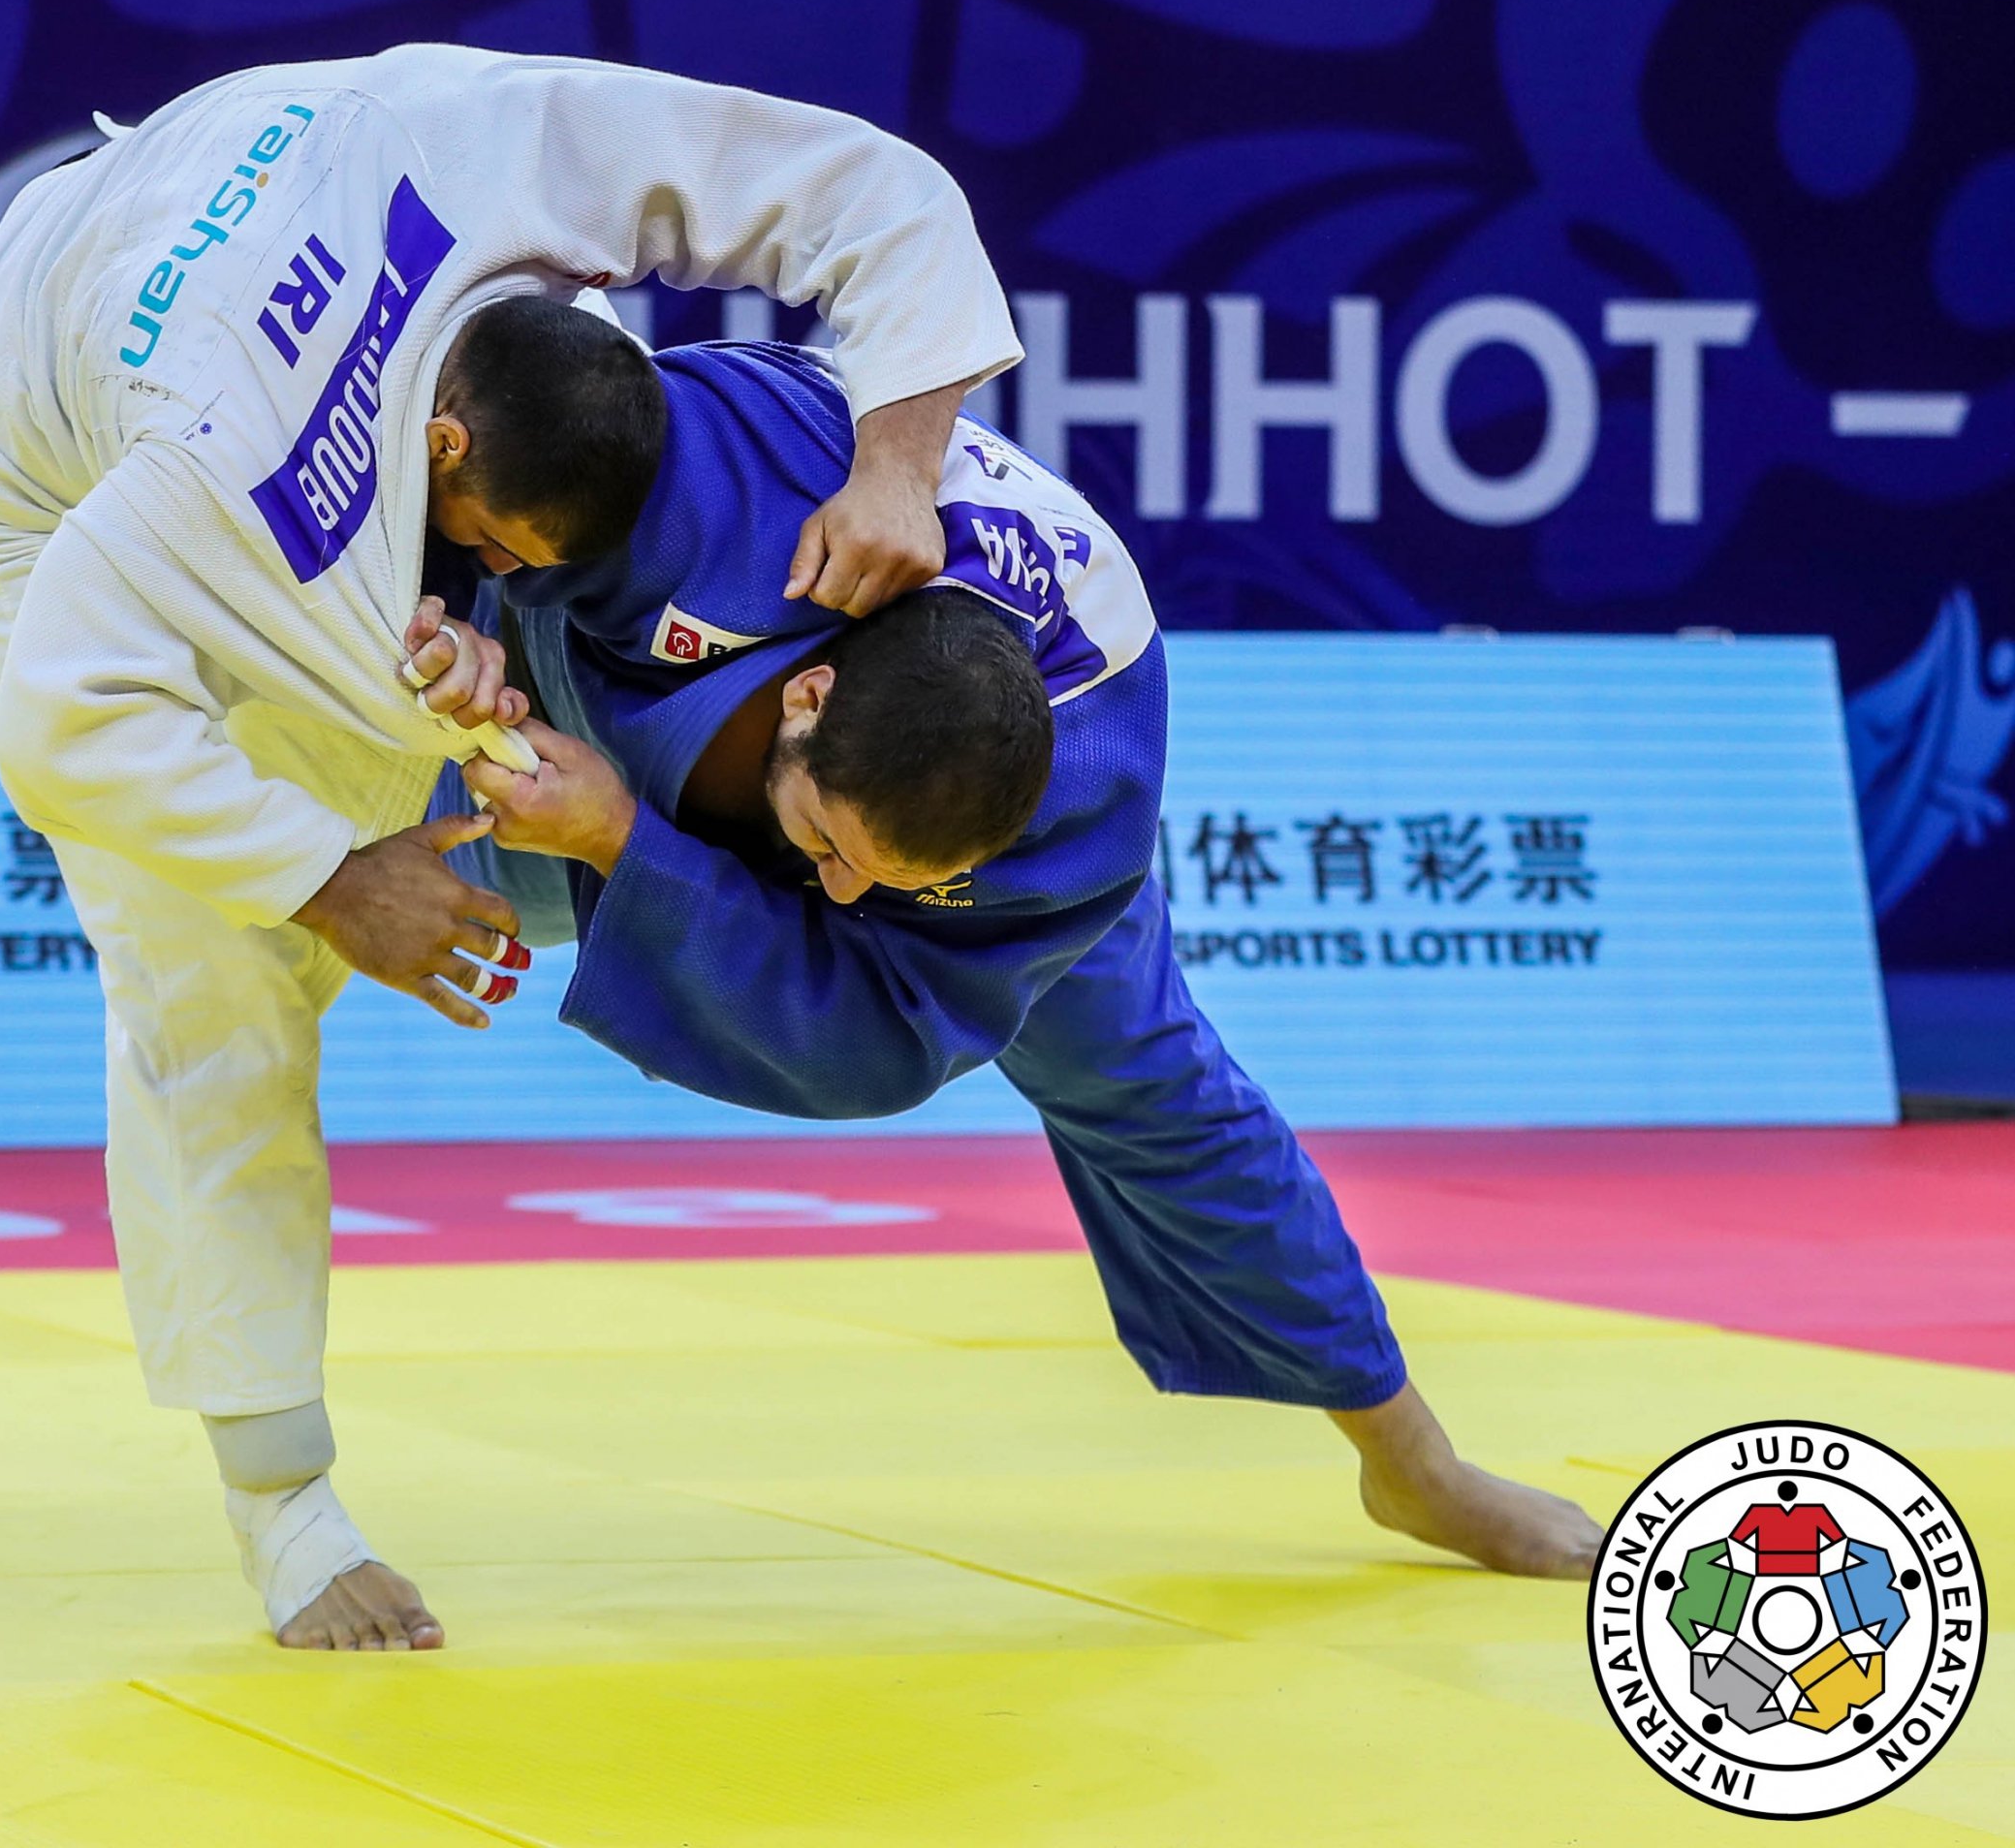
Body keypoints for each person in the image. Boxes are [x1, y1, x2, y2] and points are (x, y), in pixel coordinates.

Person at [0, 46, 1023, 1651]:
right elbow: (63, 729)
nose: (486, 572)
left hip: (182, 237)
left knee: (455, 695)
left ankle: (597, 815)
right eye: (478, 546)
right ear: (437, 461)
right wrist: (333, 882)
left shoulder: (498, 144)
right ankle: (279, 1501)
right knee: (217, 958)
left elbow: (870, 183)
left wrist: (894, 459)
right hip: (15, 472)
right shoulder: (252, 491)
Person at [425, 339, 1603, 1581]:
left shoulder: (1073, 814)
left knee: (1160, 1090)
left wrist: (617, 833)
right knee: (359, 858)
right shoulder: (747, 480)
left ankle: (1414, 1465)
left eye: (870, 878)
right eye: (825, 847)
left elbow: (867, 1039)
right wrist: (470, 635)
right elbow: (884, 251)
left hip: (974, 832)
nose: (837, 896)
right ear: (809, 692)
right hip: (700, 709)